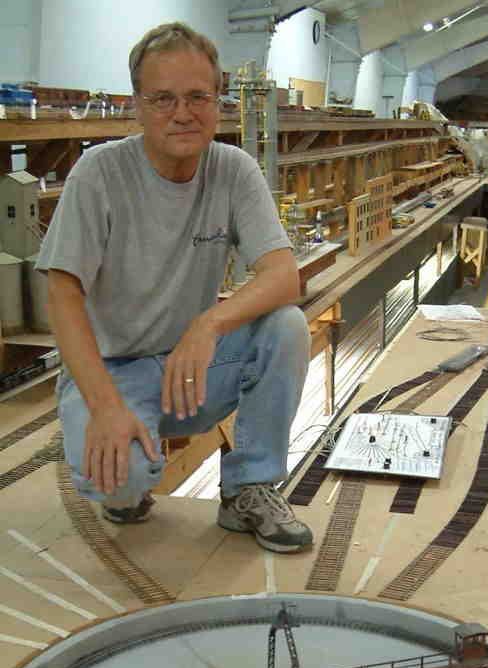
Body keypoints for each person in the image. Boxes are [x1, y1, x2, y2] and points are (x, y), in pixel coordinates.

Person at [37, 22, 313, 553]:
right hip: (111, 370)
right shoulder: (99, 173)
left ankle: (250, 488)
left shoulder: (234, 170)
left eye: (196, 97)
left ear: (218, 102)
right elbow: (63, 297)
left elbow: (284, 277)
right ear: (137, 106)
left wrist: (209, 324)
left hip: (191, 370)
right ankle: (128, 485)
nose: (182, 113)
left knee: (287, 327)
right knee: (119, 480)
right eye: (163, 98)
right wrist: (105, 406)